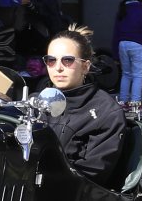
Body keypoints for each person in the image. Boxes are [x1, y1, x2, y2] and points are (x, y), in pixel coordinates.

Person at [42, 24, 127, 188]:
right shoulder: (36, 103)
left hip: (73, 195)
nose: (58, 68)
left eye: (68, 60)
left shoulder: (106, 112)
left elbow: (91, 176)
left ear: (85, 66)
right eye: (51, 60)